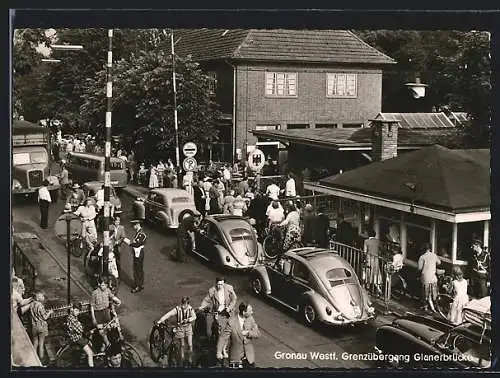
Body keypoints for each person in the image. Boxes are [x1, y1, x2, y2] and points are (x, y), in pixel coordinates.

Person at [198, 277, 237, 366]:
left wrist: (229, 307)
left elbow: (234, 299)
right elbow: (206, 300)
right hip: (219, 313)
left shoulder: (229, 288)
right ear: (216, 283)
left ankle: (224, 349)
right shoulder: (212, 290)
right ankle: (219, 349)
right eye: (218, 284)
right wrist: (202, 306)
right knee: (221, 332)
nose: (220, 286)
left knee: (227, 332)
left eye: (221, 284)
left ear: (224, 284)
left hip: (228, 312)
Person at [157, 296, 197, 366]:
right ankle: (182, 358)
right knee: (182, 344)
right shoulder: (177, 309)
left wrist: (188, 320)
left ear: (188, 303)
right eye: (183, 304)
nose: (184, 306)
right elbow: (168, 314)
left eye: (185, 304)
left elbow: (194, 317)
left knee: (190, 344)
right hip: (180, 328)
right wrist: (160, 320)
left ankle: (190, 359)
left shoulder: (190, 309)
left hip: (188, 328)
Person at [219, 302, 260, 368]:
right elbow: (223, 337)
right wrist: (219, 351)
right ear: (244, 312)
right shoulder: (231, 322)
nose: (252, 312)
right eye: (250, 311)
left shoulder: (250, 319)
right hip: (236, 357)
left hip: (249, 357)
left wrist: (248, 333)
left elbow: (257, 333)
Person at [90, 277, 122, 350]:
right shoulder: (94, 293)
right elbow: (92, 306)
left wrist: (118, 300)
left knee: (108, 329)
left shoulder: (107, 290)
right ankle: (107, 345)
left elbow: (112, 296)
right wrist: (93, 318)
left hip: (106, 312)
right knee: (101, 331)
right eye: (102, 285)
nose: (104, 287)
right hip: (98, 313)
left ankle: (104, 344)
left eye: (105, 285)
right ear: (99, 284)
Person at [29, 290, 53, 363]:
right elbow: (45, 317)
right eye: (42, 296)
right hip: (41, 326)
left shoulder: (31, 304)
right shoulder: (40, 305)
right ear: (38, 297)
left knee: (35, 343)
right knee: (41, 344)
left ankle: (33, 358)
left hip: (34, 326)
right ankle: (41, 360)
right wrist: (49, 312)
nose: (43, 297)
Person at [417, 243, 441, 312]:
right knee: (434, 293)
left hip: (426, 278)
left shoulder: (422, 257)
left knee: (425, 293)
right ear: (430, 248)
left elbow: (419, 268)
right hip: (433, 278)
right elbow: (439, 262)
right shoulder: (434, 255)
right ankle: (435, 306)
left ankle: (426, 306)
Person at [125, 219, 147, 293]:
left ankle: (138, 285)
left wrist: (127, 241)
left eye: (134, 225)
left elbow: (136, 243)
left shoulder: (141, 234)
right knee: (139, 268)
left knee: (137, 269)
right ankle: (141, 283)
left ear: (138, 225)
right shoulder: (138, 233)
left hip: (139, 252)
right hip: (137, 252)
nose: (133, 227)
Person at [363, 228, 382, 295]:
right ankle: (378, 287)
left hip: (369, 258)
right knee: (376, 272)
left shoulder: (366, 241)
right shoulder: (378, 241)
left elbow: (365, 252)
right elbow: (380, 251)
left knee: (369, 272)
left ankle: (369, 285)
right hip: (376, 258)